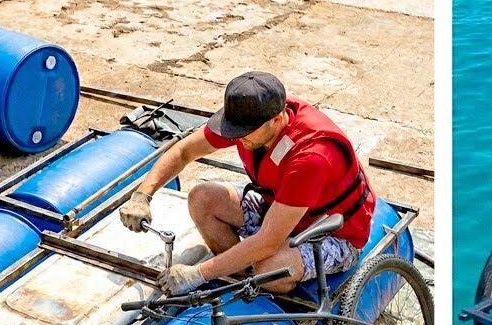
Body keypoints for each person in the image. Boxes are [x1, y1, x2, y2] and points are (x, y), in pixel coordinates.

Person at [119, 71, 376, 295]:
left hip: (331, 232)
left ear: (276, 121)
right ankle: (240, 278)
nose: (235, 138)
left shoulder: (311, 157)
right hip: (277, 207)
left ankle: (259, 284)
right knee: (202, 198)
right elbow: (184, 152)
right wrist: (143, 195)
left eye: (242, 133)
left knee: (269, 269)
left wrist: (196, 274)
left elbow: (268, 241)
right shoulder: (251, 119)